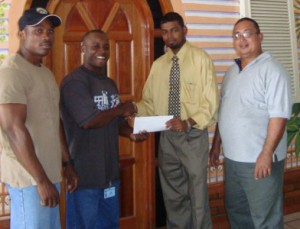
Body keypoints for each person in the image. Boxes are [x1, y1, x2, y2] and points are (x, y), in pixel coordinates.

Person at [136, 12, 219, 229]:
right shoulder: (158, 65)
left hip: (192, 135)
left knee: (197, 193)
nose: (170, 36)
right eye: (164, 32)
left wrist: (188, 122)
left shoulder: (201, 59)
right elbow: (149, 103)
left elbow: (210, 103)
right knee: (173, 194)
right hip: (167, 138)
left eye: (174, 30)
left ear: (184, 30)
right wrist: (132, 111)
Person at [60, 29, 148, 229]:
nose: (102, 51)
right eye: (95, 46)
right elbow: (89, 121)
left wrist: (130, 133)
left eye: (106, 46)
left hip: (110, 176)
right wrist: (122, 109)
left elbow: (113, 122)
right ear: (83, 49)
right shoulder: (74, 82)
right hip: (84, 178)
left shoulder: (109, 84)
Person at [209, 17, 292, 228]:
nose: (241, 39)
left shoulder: (273, 71)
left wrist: (266, 154)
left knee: (265, 218)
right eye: (236, 35)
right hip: (233, 160)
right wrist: (216, 144)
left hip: (259, 161)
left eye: (247, 33)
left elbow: (279, 117)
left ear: (260, 36)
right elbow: (224, 111)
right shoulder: (231, 72)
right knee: (237, 212)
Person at [0, 7, 78, 229]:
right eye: (38, 30)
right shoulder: (11, 72)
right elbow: (14, 130)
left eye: (50, 31)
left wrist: (67, 163)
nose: (46, 36)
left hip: (50, 173)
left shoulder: (45, 72)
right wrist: (41, 181)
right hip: (29, 179)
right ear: (22, 33)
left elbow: (55, 121)